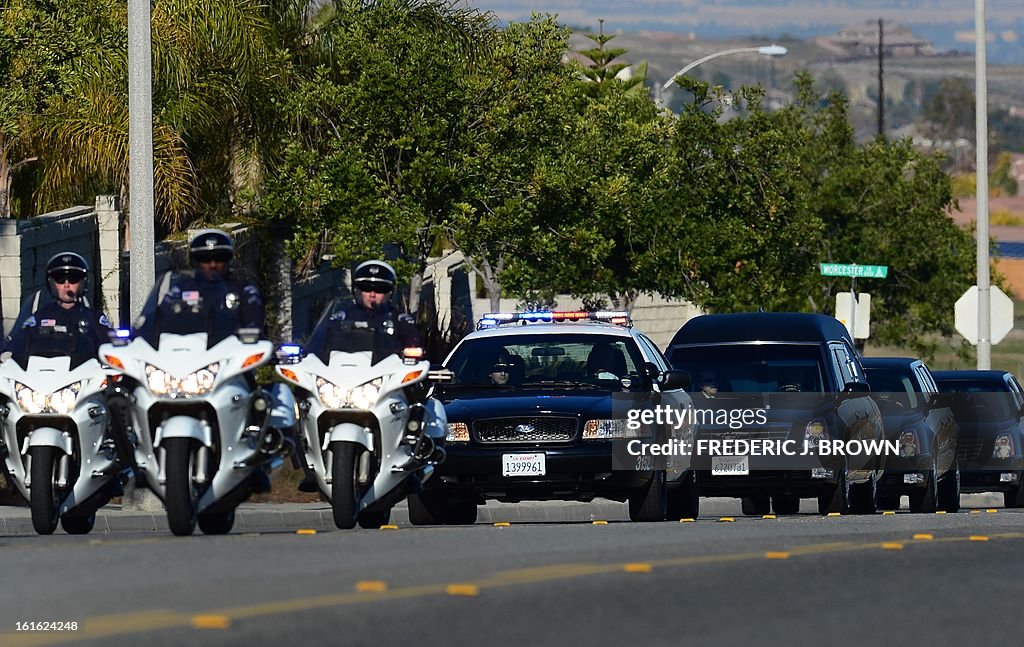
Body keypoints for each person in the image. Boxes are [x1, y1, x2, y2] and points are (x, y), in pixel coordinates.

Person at [3, 252, 114, 358]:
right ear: (51, 283)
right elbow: (16, 344)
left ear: (82, 282)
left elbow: (113, 345)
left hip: (83, 375)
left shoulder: (93, 318)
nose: (66, 285)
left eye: (73, 279)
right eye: (60, 279)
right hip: (44, 374)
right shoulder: (40, 316)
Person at [307, 259, 421, 354]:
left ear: (390, 293)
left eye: (379, 289)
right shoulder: (341, 316)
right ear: (357, 291)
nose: (372, 294)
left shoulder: (399, 320)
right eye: (366, 288)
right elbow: (319, 342)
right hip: (342, 372)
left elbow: (413, 349)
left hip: (385, 376)